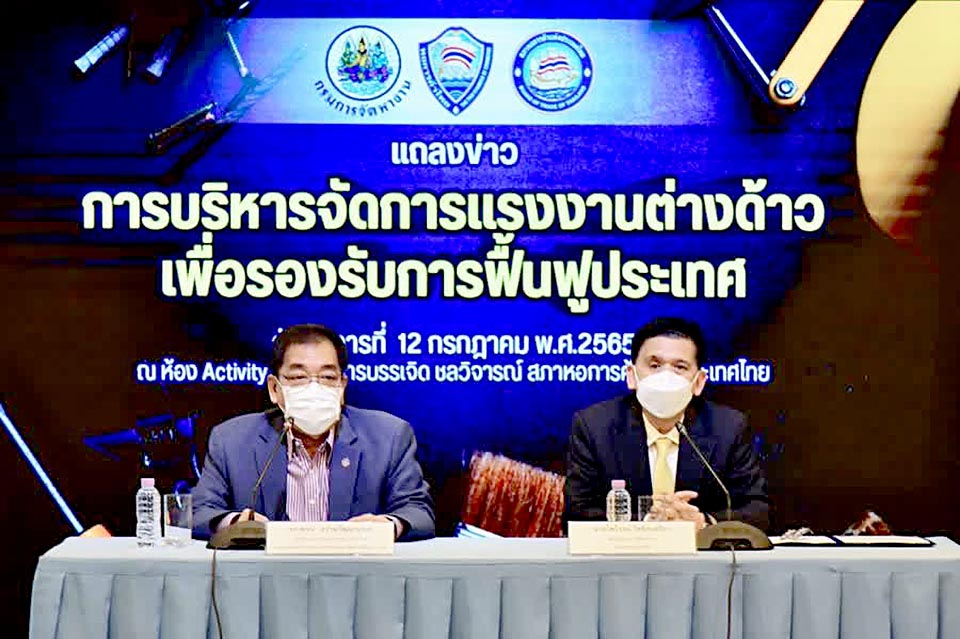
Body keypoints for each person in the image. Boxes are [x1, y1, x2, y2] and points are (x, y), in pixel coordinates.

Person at [192, 324, 435, 541]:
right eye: (299, 377)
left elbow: (419, 513)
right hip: (263, 573)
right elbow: (198, 513)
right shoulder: (231, 440)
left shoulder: (388, 436)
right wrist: (236, 523)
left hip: (356, 571)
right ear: (275, 389)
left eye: (328, 377)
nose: (314, 387)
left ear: (342, 387)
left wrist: (388, 526)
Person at [565, 317, 770, 530]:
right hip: (626, 551)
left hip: (698, 551)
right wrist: (652, 522)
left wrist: (703, 522)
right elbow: (577, 514)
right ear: (631, 376)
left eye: (679, 367)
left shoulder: (728, 428)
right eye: (654, 365)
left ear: (699, 382)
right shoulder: (594, 427)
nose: (665, 376)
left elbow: (758, 511)